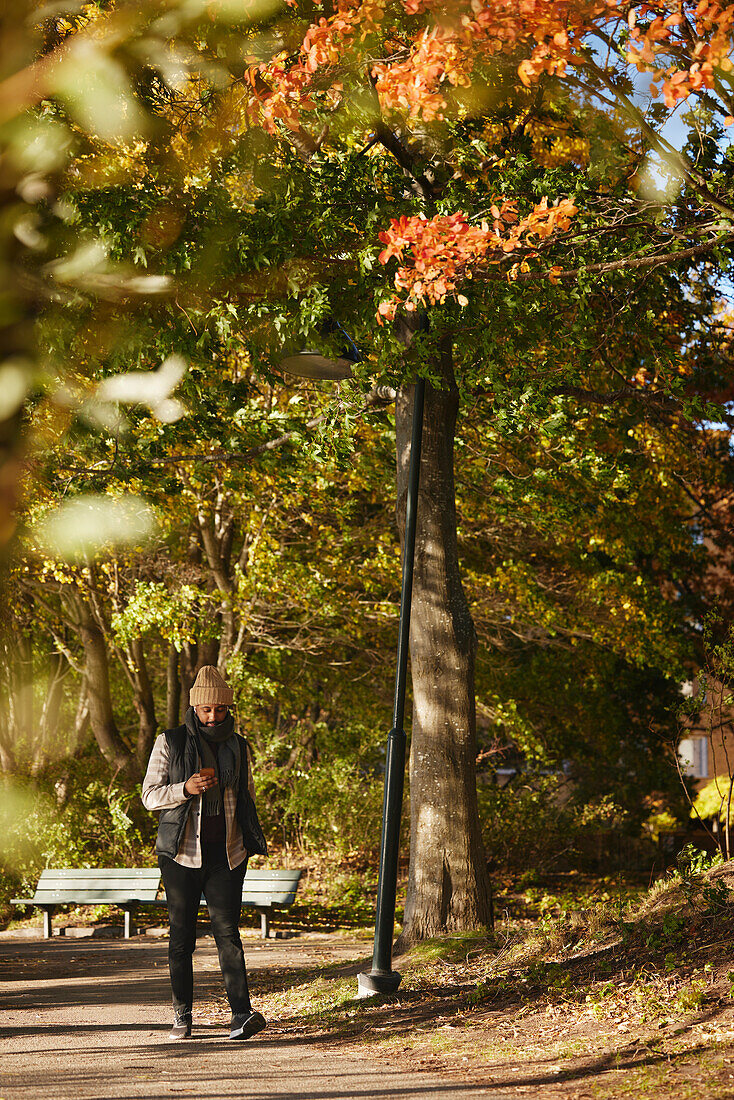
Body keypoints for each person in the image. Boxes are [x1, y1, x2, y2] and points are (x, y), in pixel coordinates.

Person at [142, 664, 268, 1041]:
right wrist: (185, 787)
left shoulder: (238, 746)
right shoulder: (171, 741)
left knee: (228, 934)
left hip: (227, 855)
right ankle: (182, 1016)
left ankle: (241, 1016)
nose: (213, 716)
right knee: (182, 938)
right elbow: (149, 796)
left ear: (229, 709)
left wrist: (247, 843)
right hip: (181, 855)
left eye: (220, 709)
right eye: (206, 710)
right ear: (195, 708)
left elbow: (245, 796)